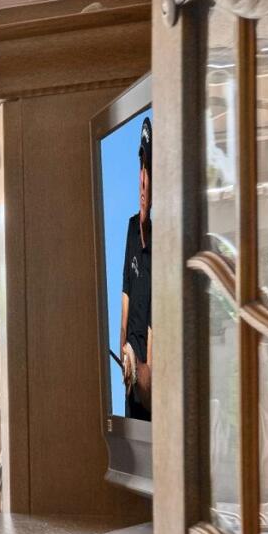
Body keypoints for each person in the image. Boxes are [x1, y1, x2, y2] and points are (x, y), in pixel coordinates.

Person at [118, 118, 152, 419]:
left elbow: (151, 384)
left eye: (148, 172)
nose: (142, 181)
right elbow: (125, 294)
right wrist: (123, 351)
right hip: (131, 374)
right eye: (140, 169)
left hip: (148, 386)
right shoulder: (131, 229)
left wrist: (138, 366)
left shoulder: (162, 241)